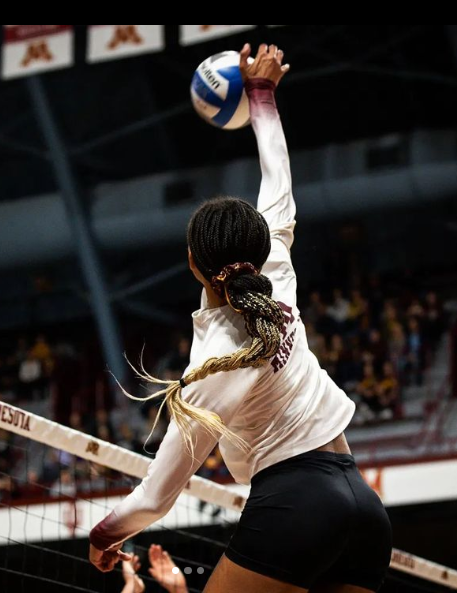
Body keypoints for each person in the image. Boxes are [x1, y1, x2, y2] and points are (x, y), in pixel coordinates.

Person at [88, 44, 392, 592]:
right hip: (365, 509)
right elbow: (277, 172)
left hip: (296, 508)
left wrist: (104, 534)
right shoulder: (275, 261)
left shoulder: (214, 362)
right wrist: (261, 93)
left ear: (192, 263)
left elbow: (156, 496)